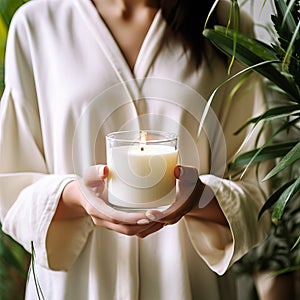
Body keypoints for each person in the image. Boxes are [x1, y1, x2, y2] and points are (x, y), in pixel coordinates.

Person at [0, 0, 270, 299]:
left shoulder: (226, 24)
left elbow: (259, 196)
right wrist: (78, 197)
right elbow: (11, 192)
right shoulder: (37, 23)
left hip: (189, 286)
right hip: (78, 287)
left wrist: (197, 197)